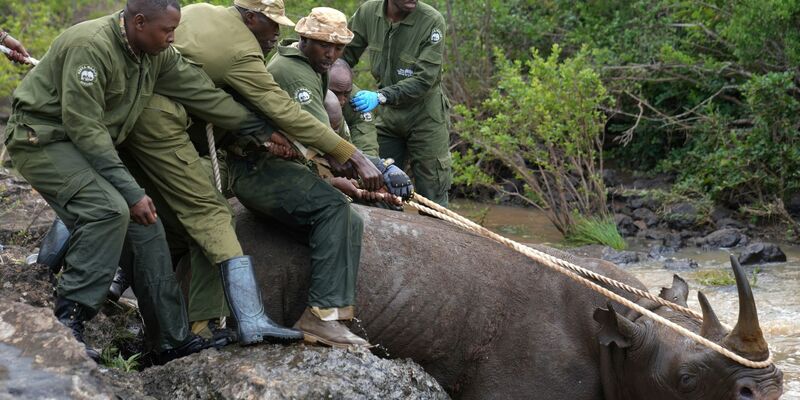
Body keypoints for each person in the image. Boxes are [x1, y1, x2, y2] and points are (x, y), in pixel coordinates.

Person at [2, 0, 266, 363]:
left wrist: (260, 129)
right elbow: (86, 128)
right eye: (167, 30)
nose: (173, 38)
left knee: (148, 227)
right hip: (43, 138)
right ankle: (69, 319)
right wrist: (131, 192)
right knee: (108, 210)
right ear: (139, 22)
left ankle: (170, 341)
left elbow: (202, 93)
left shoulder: (154, 52)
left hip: (86, 146)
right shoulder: (90, 45)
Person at [135, 0, 383, 348]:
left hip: (219, 144)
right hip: (216, 151)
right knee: (328, 212)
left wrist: (269, 137)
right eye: (272, 24)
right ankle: (322, 316)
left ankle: (200, 324)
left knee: (202, 221)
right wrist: (350, 157)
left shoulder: (201, 11)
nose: (276, 33)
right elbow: (283, 111)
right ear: (251, 19)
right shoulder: (251, 55)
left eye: (337, 47)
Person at [343, 0, 453, 206]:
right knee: (378, 182)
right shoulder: (368, 13)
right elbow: (342, 57)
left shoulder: (431, 21)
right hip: (388, 116)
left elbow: (424, 80)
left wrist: (379, 96)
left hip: (425, 116)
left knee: (433, 192)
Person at [327, 59, 379, 157]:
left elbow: (366, 141)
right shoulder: (310, 90)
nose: (342, 100)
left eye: (346, 93)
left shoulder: (357, 100)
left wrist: (368, 163)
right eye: (336, 93)